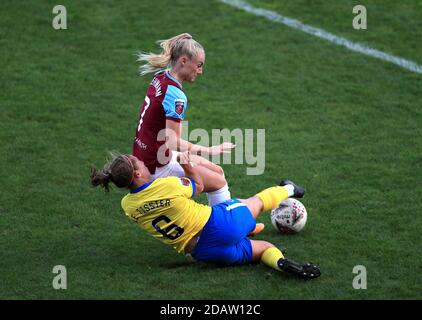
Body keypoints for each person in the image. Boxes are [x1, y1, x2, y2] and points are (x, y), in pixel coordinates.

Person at [90, 152, 321, 279]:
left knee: (262, 249)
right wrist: (187, 165)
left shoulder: (127, 205)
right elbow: (199, 186)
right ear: (138, 172)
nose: (145, 164)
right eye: (141, 163)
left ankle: (281, 263)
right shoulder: (168, 186)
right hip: (217, 225)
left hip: (203, 252)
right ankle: (291, 189)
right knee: (254, 203)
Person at [134, 33, 235, 207]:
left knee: (218, 171)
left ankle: (225, 223)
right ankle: (224, 229)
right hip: (157, 164)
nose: (200, 70)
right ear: (183, 60)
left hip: (145, 153)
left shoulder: (160, 76)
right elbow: (173, 141)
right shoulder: (176, 96)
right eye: (199, 65)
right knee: (219, 184)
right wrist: (210, 149)